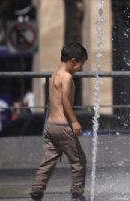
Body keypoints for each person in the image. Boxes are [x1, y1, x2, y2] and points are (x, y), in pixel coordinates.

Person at [30, 42, 88, 201]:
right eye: (81, 65)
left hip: (50, 125)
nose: (80, 69)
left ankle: (37, 191)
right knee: (78, 161)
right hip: (63, 126)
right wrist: (74, 121)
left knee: (48, 161)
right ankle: (77, 194)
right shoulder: (67, 77)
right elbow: (65, 102)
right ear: (73, 61)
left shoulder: (54, 74)